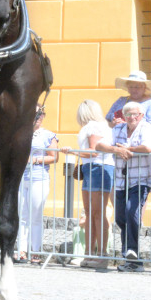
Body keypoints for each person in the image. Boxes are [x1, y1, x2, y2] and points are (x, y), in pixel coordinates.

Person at [62, 99, 116, 269]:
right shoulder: (98, 126)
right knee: (91, 212)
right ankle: (90, 253)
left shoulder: (93, 127)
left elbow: (94, 151)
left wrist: (73, 152)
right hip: (92, 168)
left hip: (98, 168)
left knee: (97, 212)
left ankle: (101, 254)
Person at [111, 102, 151, 272]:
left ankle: (132, 252)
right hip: (121, 180)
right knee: (120, 218)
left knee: (131, 211)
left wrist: (127, 149)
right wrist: (116, 150)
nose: (131, 117)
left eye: (135, 114)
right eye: (128, 114)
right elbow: (101, 145)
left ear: (141, 115)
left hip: (141, 179)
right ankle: (130, 259)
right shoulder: (118, 129)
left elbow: (147, 147)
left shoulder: (146, 127)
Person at [17, 107, 58, 262]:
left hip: (39, 177)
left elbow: (54, 157)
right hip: (22, 177)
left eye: (41, 114)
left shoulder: (48, 135)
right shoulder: (21, 132)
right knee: (21, 214)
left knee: (35, 214)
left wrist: (34, 160)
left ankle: (36, 250)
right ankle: (21, 250)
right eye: (35, 114)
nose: (38, 117)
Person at [107, 71, 151, 136]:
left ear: (144, 87)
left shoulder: (150, 103)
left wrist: (131, 125)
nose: (133, 90)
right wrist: (113, 124)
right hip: (117, 138)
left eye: (137, 87)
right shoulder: (121, 101)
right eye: (131, 87)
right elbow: (106, 122)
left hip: (140, 140)